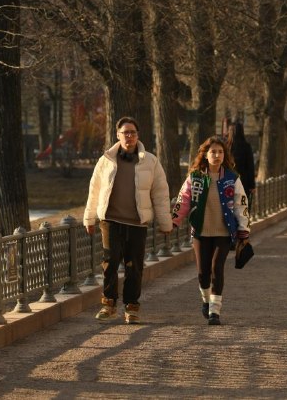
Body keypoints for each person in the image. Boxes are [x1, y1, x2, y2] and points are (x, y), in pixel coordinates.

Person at [83, 116, 172, 324]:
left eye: (132, 132)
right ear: (118, 135)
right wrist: (89, 218)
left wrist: (165, 222)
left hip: (137, 222)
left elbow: (160, 193)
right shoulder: (106, 160)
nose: (129, 136)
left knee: (134, 266)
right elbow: (94, 190)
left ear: (138, 135)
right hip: (111, 220)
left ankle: (131, 307)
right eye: (125, 133)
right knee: (110, 261)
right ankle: (109, 303)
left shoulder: (150, 161)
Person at [172, 136, 250, 325]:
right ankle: (206, 301)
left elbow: (241, 204)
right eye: (213, 152)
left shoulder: (232, 179)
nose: (217, 155)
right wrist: (173, 222)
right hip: (200, 232)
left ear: (225, 155)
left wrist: (243, 229)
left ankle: (215, 311)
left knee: (217, 268)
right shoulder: (195, 177)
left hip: (224, 232)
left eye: (220, 152)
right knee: (202, 272)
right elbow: (183, 201)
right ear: (205, 155)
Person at [227, 121, 256, 213]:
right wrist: (252, 185)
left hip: (228, 182)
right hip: (244, 182)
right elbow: (250, 167)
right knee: (242, 209)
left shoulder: (226, 147)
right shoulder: (246, 147)